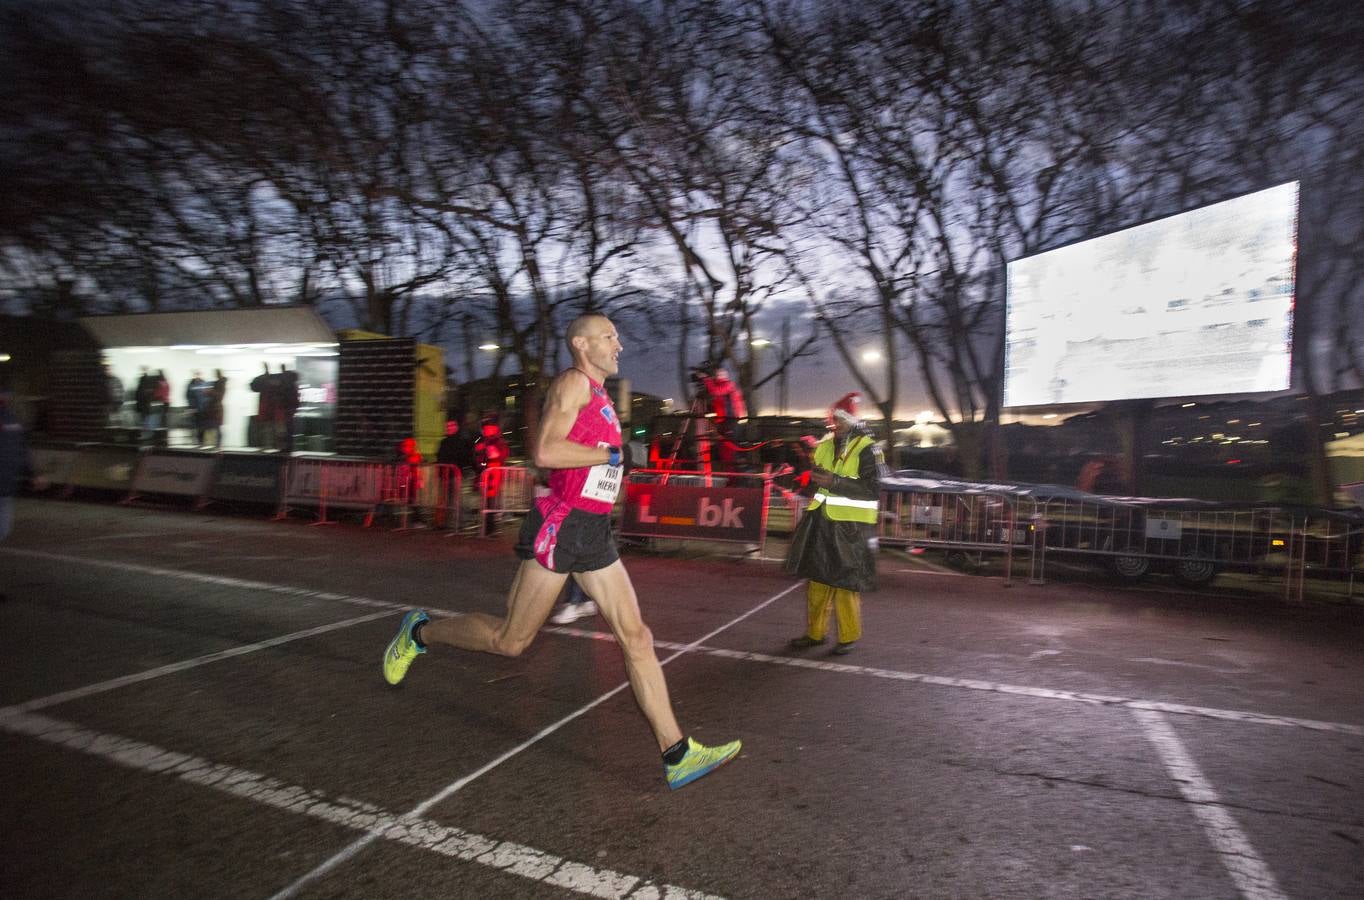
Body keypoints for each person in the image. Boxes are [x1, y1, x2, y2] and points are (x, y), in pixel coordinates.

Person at [382, 313, 741, 791]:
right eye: (609, 337)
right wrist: (612, 456)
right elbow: (546, 453)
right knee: (511, 642)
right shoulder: (573, 384)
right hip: (565, 525)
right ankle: (421, 631)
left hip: (592, 529)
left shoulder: (602, 397)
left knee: (637, 637)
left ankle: (677, 753)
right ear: (581, 343)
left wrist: (614, 464)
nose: (619, 345)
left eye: (617, 336)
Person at [784, 392, 884, 656]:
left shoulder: (868, 448)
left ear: (851, 419)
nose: (834, 423)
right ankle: (815, 634)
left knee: (845, 583)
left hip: (851, 527)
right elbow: (818, 477)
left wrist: (835, 482)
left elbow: (873, 489)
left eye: (839, 418)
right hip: (821, 521)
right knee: (817, 581)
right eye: (833, 418)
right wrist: (810, 480)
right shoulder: (825, 445)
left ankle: (848, 637)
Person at [474, 416, 512, 536]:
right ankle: (486, 527)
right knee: (485, 502)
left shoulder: (499, 442)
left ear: (494, 429)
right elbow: (479, 459)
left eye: (489, 428)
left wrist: (487, 451)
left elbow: (500, 456)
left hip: (494, 477)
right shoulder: (483, 441)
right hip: (485, 475)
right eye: (485, 429)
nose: (486, 431)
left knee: (492, 502)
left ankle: (491, 528)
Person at [250, 363, 279, 450]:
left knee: (265, 428)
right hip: (272, 408)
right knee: (271, 428)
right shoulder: (275, 380)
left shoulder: (262, 379)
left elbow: (253, 387)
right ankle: (271, 445)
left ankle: (265, 445)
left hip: (265, 406)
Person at [278, 364, 300, 452]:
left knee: (285, 428)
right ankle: (288, 446)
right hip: (290, 408)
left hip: (287, 408)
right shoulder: (293, 386)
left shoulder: (287, 387)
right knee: (288, 428)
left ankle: (286, 447)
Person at [185, 370, 210, 446]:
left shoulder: (204, 383)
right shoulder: (191, 384)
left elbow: (207, 395)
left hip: (203, 408)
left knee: (202, 425)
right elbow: (188, 396)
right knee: (194, 424)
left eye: (198, 374)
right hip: (194, 408)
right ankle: (196, 440)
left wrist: (206, 405)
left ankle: (201, 440)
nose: (197, 376)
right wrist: (191, 406)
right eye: (196, 374)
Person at [205, 369, 227, 449]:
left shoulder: (220, 383)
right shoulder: (221, 383)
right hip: (216, 408)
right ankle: (217, 444)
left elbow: (218, 395)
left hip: (216, 409)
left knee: (216, 427)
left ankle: (217, 444)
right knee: (216, 427)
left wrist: (209, 392)